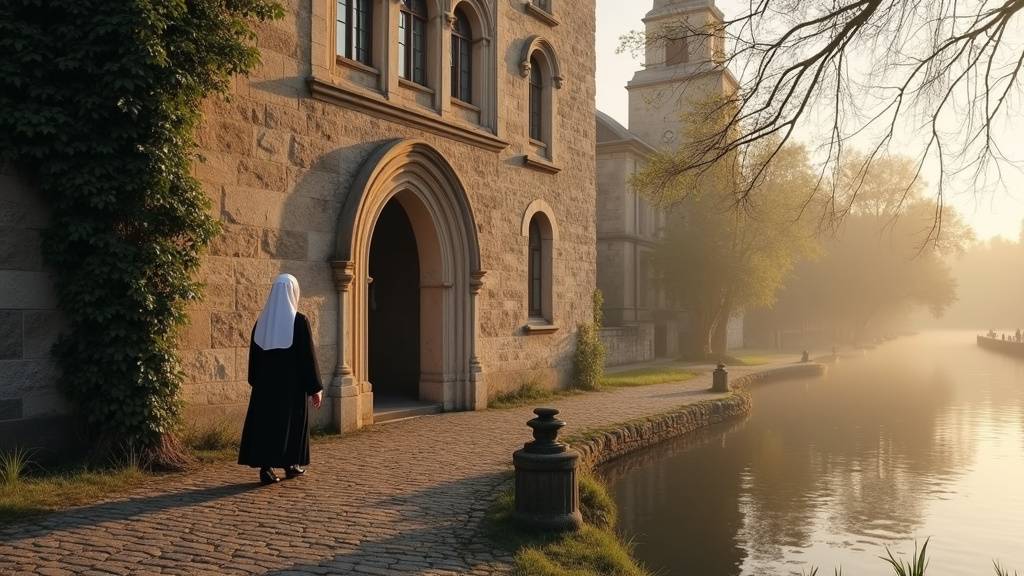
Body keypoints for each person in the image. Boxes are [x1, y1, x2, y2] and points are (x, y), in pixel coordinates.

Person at [238, 274, 324, 485]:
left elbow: (254, 359)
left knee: (267, 426)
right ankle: (274, 468)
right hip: (291, 389)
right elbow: (308, 357)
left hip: (265, 389)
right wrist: (315, 387)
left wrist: (256, 382)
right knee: (290, 425)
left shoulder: (261, 322)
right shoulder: (300, 321)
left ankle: (287, 465)